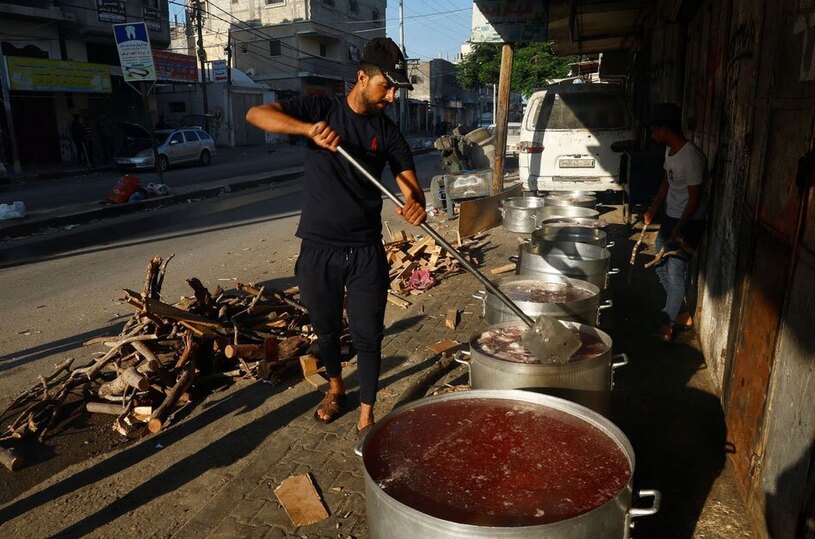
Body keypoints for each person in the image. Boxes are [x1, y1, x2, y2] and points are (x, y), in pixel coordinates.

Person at [245, 37, 426, 436]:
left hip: (365, 250)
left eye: (397, 89)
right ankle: (335, 389)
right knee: (326, 331)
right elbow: (257, 114)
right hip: (318, 247)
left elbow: (409, 182)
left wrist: (415, 202)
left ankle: (367, 413)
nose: (393, 97)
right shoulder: (322, 109)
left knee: (368, 334)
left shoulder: (387, 130)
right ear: (362, 77)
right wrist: (307, 130)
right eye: (387, 86)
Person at [643, 103, 707, 342]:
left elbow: (695, 198)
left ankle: (668, 325)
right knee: (660, 265)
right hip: (671, 217)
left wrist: (679, 229)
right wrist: (653, 210)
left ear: (665, 129)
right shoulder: (670, 152)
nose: (652, 135)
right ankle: (679, 312)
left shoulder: (691, 157)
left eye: (653, 130)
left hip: (689, 222)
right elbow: (666, 184)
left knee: (675, 271)